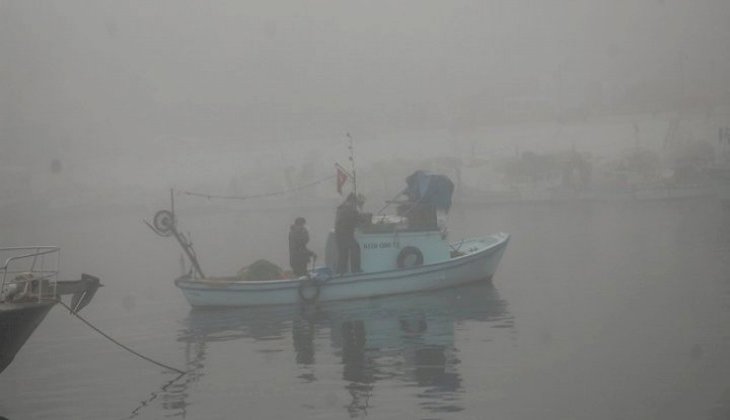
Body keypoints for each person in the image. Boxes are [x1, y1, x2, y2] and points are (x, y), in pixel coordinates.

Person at [335, 193, 362, 275]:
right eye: (356, 202)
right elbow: (358, 218)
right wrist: (361, 209)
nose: (356, 204)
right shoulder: (349, 207)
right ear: (352, 200)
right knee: (355, 248)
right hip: (345, 233)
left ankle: (341, 272)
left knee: (343, 254)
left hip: (340, 234)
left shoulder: (342, 207)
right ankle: (355, 270)